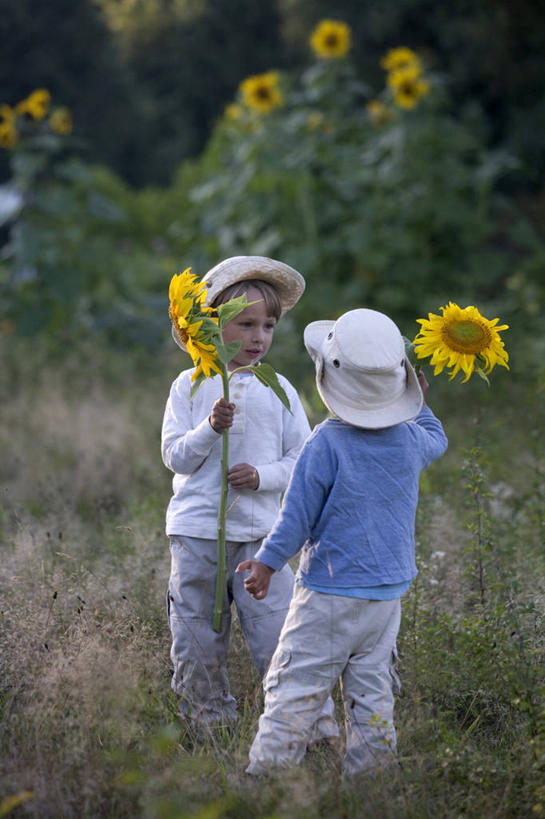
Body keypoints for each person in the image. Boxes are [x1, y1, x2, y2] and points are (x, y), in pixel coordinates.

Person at [237, 307, 448, 776]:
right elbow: (437, 437)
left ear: (327, 380)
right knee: (372, 693)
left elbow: (296, 516)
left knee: (295, 686)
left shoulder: (325, 443)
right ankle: (372, 780)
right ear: (398, 388)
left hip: (328, 595)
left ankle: (267, 777)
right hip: (386, 596)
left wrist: (267, 563)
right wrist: (420, 402)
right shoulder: (410, 439)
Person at [162, 255, 339, 739]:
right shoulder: (190, 385)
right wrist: (209, 428)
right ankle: (207, 727)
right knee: (196, 637)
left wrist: (262, 476)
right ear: (212, 325)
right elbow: (174, 456)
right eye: (246, 324)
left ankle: (306, 727)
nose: (259, 337)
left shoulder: (278, 389)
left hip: (263, 539)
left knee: (279, 635)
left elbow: (302, 459)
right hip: (196, 534)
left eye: (268, 326)